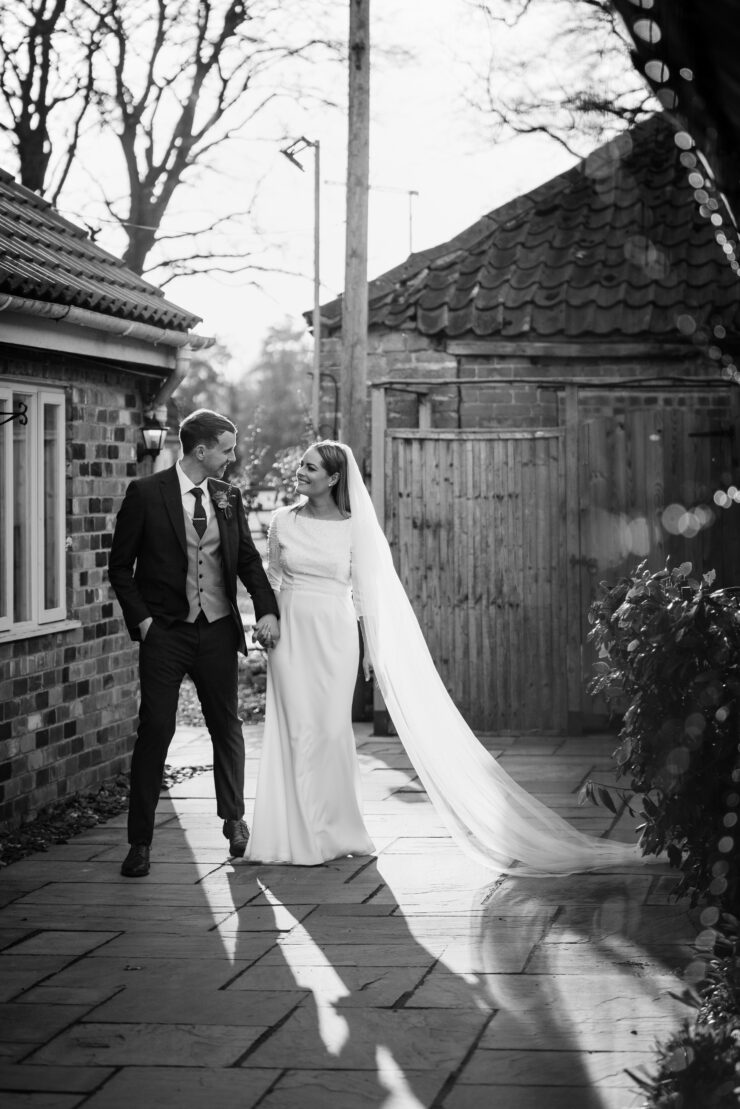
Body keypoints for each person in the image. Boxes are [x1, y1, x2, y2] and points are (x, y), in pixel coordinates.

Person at [246, 439, 644, 875]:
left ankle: (332, 831)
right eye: (301, 465)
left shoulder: (353, 527)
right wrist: (267, 617)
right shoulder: (282, 521)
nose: (301, 472)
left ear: (334, 478)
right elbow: (273, 576)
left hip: (335, 634)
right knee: (291, 730)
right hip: (289, 633)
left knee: (327, 731)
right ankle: (289, 834)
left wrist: (371, 649)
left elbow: (367, 594)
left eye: (310, 467)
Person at [109, 408, 280, 878]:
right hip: (165, 632)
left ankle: (234, 820)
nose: (232, 457)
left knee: (227, 726)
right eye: (226, 449)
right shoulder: (146, 494)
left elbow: (246, 557)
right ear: (201, 450)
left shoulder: (229, 497)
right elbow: (120, 567)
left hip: (217, 629)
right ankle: (140, 843)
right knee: (156, 731)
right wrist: (142, 622)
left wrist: (266, 608)